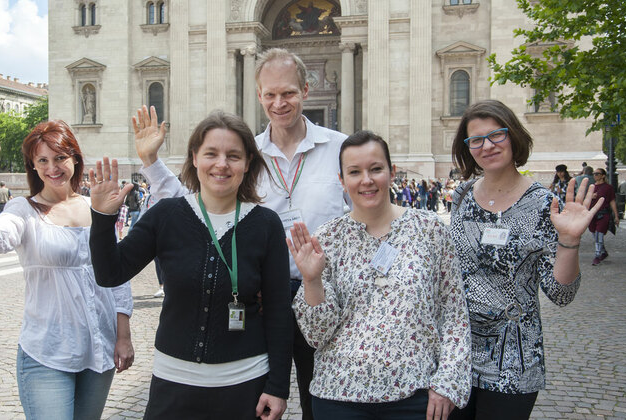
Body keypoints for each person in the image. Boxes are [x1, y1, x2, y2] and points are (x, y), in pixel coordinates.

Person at [135, 48, 349, 419]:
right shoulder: (241, 154)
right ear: (259, 95)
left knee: (324, 405)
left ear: (306, 90)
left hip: (324, 295)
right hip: (259, 300)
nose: (279, 103)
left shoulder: (340, 148)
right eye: (270, 94)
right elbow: (194, 205)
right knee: (260, 398)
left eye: (288, 93)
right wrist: (151, 163)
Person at [90, 110, 292, 419]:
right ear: (195, 158)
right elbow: (110, 273)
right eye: (211, 154)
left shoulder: (266, 224)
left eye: (233, 156)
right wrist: (103, 219)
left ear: (248, 162)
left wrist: (278, 386)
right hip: (173, 384)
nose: (221, 164)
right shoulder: (166, 215)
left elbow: (278, 311)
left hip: (245, 385)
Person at [289, 131, 471, 420]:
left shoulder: (430, 230)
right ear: (342, 180)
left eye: (375, 169)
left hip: (416, 395)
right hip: (339, 396)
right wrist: (312, 280)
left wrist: (448, 382)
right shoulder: (327, 238)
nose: (366, 180)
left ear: (392, 172)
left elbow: (454, 315)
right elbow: (316, 335)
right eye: (354, 172)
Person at [0, 121, 135, 419]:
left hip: (99, 347)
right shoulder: (24, 210)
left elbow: (117, 278)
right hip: (47, 351)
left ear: (75, 159)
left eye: (59, 158)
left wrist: (123, 336)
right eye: (42, 160)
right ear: (33, 166)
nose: (52, 168)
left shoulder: (96, 206)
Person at [448, 100, 601, 420]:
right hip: (457, 356)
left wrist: (569, 241)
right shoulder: (462, 196)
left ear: (513, 136)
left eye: (496, 135)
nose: (487, 146)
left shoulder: (544, 204)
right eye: (476, 139)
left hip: (513, 361)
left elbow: (560, 294)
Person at [587, 168, 619, 266]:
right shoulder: (591, 187)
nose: (595, 175)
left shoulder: (608, 187)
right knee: (594, 233)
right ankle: (603, 252)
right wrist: (590, 197)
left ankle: (597, 255)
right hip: (592, 213)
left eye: (597, 174)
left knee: (599, 234)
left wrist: (616, 216)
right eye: (594, 174)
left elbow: (612, 201)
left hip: (603, 213)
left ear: (603, 175)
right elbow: (586, 200)